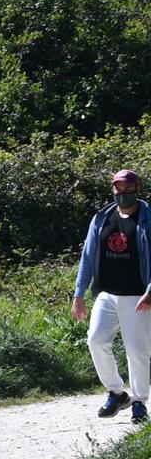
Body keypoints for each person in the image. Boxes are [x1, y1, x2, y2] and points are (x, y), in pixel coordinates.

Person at [73, 168, 151, 423]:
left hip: (138, 295)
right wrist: (79, 294)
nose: (123, 193)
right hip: (106, 293)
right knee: (96, 340)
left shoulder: (147, 218)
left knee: (137, 351)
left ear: (137, 189)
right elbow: (87, 257)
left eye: (128, 188)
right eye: (118, 188)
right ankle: (117, 393)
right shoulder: (101, 218)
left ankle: (139, 402)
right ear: (113, 189)